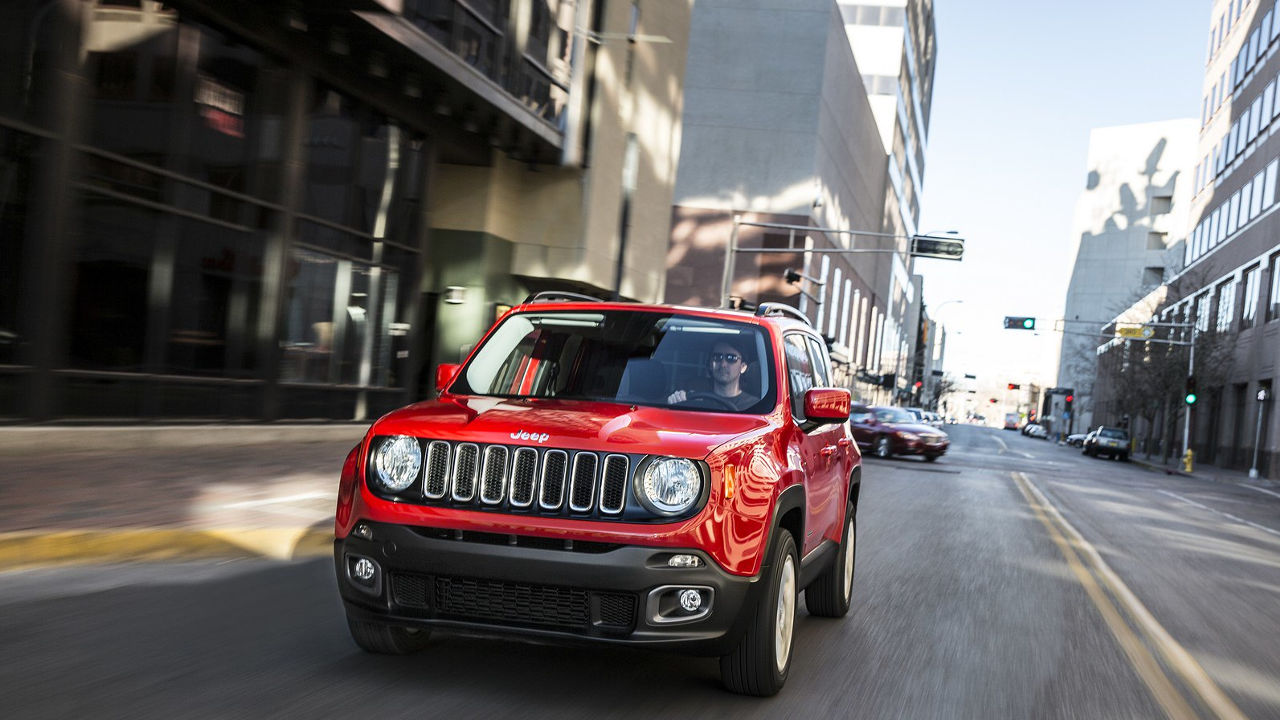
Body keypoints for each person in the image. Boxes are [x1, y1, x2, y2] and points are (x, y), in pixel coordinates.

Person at [667, 340, 757, 411]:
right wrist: (675, 401)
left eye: (731, 358)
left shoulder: (755, 406)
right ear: (710, 364)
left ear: (743, 367)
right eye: (717, 357)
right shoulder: (693, 399)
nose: (723, 364)